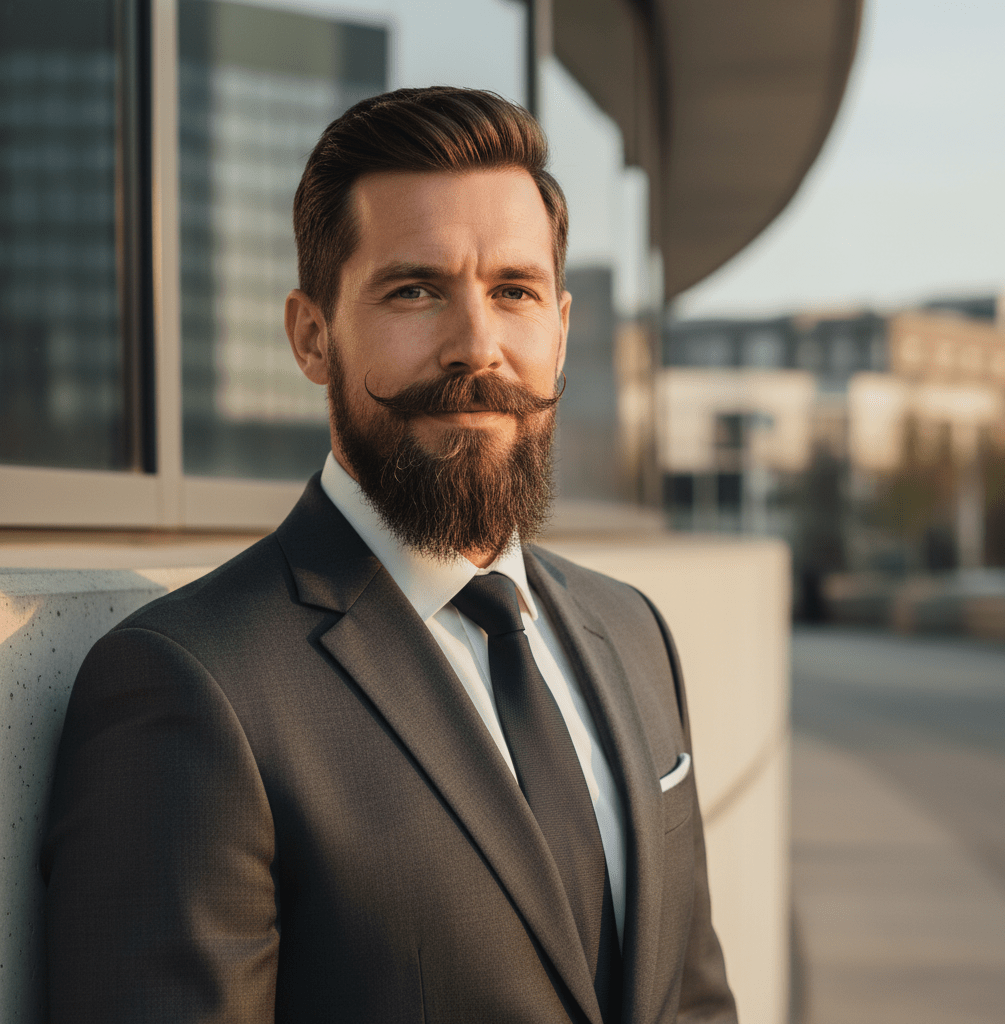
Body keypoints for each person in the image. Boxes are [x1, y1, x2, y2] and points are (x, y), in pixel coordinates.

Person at [42, 87, 736, 1024]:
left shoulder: (634, 631)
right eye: (415, 290)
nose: (477, 348)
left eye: (515, 292)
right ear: (312, 336)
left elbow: (693, 1000)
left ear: (562, 328)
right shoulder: (190, 687)